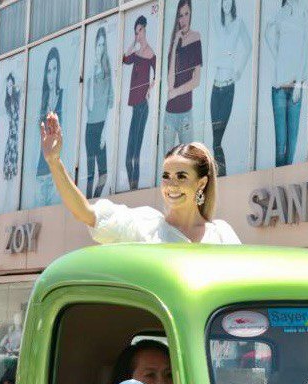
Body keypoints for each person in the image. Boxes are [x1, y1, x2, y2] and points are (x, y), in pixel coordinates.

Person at [42, 112, 240, 244]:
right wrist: (54, 161)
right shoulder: (143, 225)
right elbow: (85, 213)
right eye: (166, 176)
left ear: (202, 183)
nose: (171, 185)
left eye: (181, 176)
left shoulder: (221, 236)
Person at [264, 0, 308, 167]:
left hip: (296, 86)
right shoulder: (281, 13)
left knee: (292, 142)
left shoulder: (304, 13)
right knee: (280, 143)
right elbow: (267, 33)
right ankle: (278, 184)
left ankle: (286, 182)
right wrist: (279, 58)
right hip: (279, 86)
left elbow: (306, 50)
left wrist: (299, 82)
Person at [209, 0, 251, 175]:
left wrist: (239, 71)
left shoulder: (238, 22)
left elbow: (248, 46)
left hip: (228, 87)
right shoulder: (217, 23)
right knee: (215, 138)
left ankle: (222, 175)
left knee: (218, 139)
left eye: (228, 1)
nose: (225, 4)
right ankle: (220, 175)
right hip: (215, 86)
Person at [163, 0, 203, 156]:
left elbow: (196, 80)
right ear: (177, 19)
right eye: (181, 15)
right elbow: (170, 83)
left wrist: (175, 92)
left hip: (186, 113)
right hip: (169, 115)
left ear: (191, 14)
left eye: (187, 14)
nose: (184, 19)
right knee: (167, 166)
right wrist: (174, 45)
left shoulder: (196, 38)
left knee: (186, 165)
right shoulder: (175, 42)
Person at [122, 15, 156, 191]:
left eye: (140, 30)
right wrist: (132, 43)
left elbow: (157, 74)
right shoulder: (135, 54)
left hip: (143, 105)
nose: (138, 34)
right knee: (129, 155)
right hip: (135, 106)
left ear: (145, 28)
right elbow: (124, 59)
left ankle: (134, 190)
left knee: (135, 152)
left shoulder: (151, 53)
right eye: (136, 32)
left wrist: (150, 88)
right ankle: (131, 188)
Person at [84, 26, 114, 199]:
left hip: (101, 125)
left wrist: (104, 132)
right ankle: (87, 204)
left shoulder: (108, 72)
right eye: (98, 45)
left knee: (103, 174)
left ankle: (95, 201)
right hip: (90, 127)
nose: (100, 48)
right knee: (89, 174)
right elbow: (89, 104)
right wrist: (90, 74)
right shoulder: (91, 71)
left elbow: (110, 105)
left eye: (103, 45)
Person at [35, 48, 64, 207]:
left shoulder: (62, 96)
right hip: (41, 170)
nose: (51, 75)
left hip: (56, 172)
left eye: (54, 69)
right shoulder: (43, 102)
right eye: (48, 70)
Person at [3, 73, 21, 183]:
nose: (9, 89)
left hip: (17, 131)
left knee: (13, 153)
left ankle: (13, 174)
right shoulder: (8, 102)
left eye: (11, 86)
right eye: (8, 86)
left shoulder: (16, 98)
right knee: (8, 153)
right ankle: (9, 174)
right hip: (11, 132)